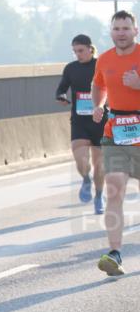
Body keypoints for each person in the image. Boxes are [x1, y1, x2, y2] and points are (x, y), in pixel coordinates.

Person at [91, 11, 140, 276]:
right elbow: (98, 85)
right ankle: (115, 253)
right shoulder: (105, 59)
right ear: (111, 32)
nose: (121, 32)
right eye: (116, 28)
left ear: (136, 31)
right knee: (114, 186)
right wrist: (98, 105)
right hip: (116, 130)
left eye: (126, 28)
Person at [56, 34, 105, 214]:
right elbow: (61, 88)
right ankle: (86, 179)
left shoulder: (101, 65)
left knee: (100, 165)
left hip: (100, 120)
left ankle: (99, 196)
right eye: (75, 51)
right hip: (79, 120)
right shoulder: (71, 68)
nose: (78, 54)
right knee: (80, 158)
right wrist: (61, 97)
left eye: (81, 50)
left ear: (90, 49)